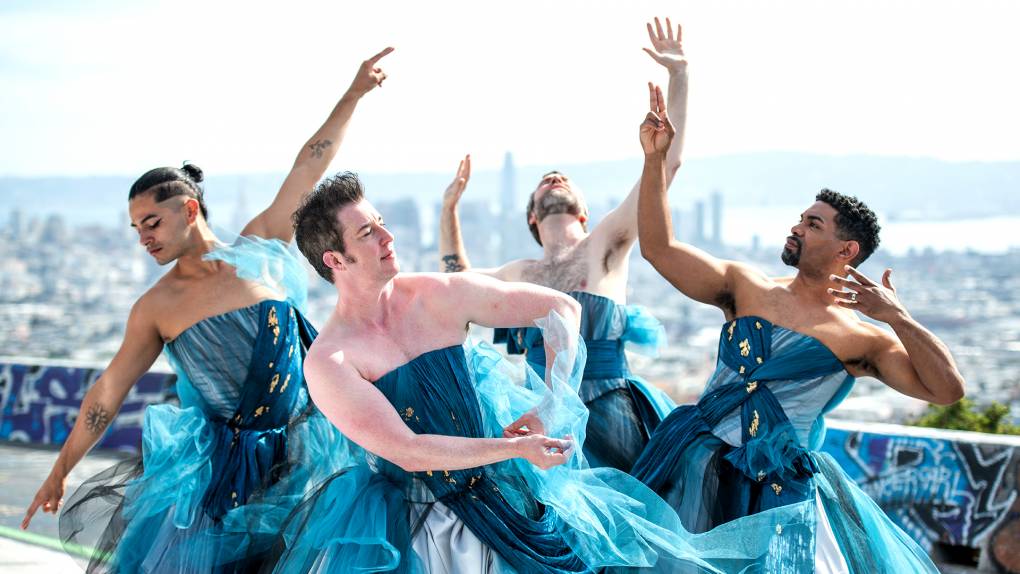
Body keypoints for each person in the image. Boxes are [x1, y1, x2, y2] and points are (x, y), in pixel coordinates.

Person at [21, 48, 395, 573]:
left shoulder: (260, 249)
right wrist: (61, 470)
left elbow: (311, 162)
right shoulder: (154, 307)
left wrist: (353, 94)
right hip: (224, 482)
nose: (143, 238)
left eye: (151, 222)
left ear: (189, 209)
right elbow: (106, 393)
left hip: (312, 456)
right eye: (136, 229)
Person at [272, 173, 722, 573]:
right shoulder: (330, 361)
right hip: (412, 523)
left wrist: (552, 404)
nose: (388, 237)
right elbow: (409, 451)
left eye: (383, 222)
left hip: (503, 490)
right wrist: (513, 449)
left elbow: (561, 308)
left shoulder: (438, 295)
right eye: (368, 232)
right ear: (335, 260)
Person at [630, 80, 964, 572]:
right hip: (692, 465)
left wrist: (898, 317)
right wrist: (654, 160)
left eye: (813, 224)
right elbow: (659, 249)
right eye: (801, 218)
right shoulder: (745, 285)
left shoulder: (863, 338)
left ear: (846, 251)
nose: (796, 227)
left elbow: (946, 391)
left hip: (778, 496)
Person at [437, 17, 687, 472]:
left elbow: (665, 170)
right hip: (539, 422)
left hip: (610, 417)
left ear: (583, 211)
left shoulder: (606, 243)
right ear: (533, 215)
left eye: (564, 180)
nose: (554, 179)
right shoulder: (519, 273)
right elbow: (458, 285)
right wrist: (448, 211)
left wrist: (680, 76)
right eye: (543, 183)